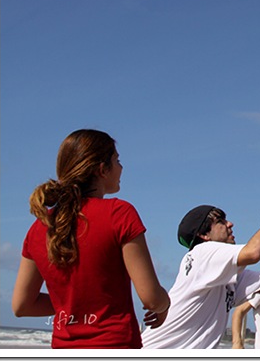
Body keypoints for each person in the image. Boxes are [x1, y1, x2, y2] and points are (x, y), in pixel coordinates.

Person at [12, 129, 170, 348]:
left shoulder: (40, 227)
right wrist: (165, 304)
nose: (122, 167)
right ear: (102, 169)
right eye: (117, 160)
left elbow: (22, 306)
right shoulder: (119, 213)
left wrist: (71, 304)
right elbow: (151, 297)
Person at [142, 194, 260, 348]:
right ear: (204, 235)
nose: (230, 224)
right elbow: (253, 252)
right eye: (220, 222)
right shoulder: (202, 253)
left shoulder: (224, 273)